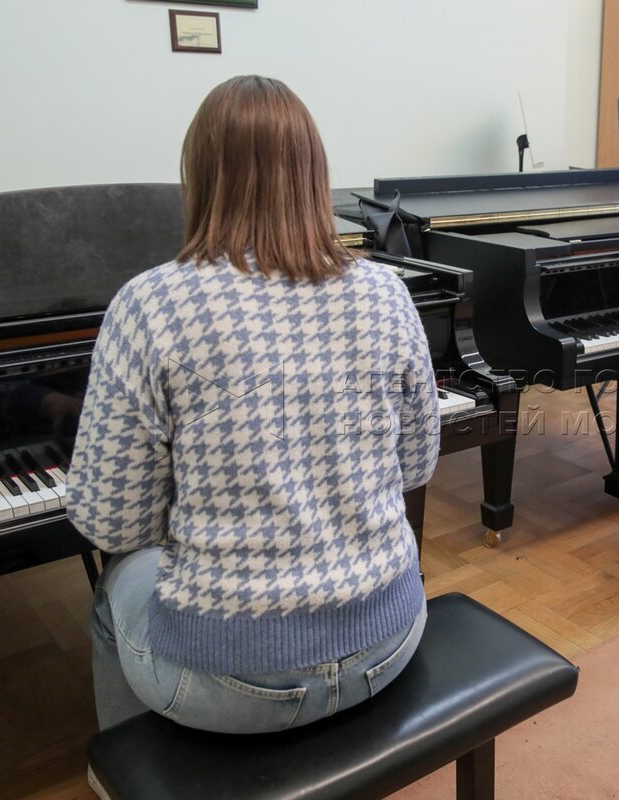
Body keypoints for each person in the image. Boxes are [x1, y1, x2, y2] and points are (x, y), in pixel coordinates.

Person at [66, 75, 439, 733]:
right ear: (315, 176)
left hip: (233, 684)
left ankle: (129, 766)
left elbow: (113, 525)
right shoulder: (387, 292)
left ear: (201, 178)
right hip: (390, 637)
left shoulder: (150, 304)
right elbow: (417, 464)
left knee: (109, 594)